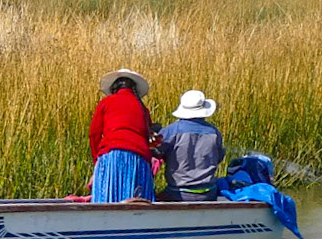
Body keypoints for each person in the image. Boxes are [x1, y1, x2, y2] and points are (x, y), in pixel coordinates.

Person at [89, 67, 156, 202]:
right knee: (138, 199)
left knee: (107, 198)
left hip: (111, 155)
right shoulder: (142, 108)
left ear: (114, 87)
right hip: (139, 157)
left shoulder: (106, 103)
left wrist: (97, 159)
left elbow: (94, 134)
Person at [158, 90, 224, 201]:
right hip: (209, 192)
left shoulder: (171, 131)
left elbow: (157, 151)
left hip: (177, 192)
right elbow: (219, 157)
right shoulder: (214, 132)